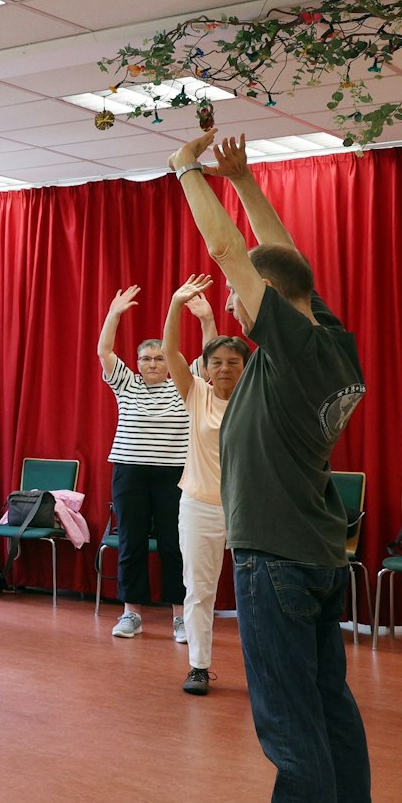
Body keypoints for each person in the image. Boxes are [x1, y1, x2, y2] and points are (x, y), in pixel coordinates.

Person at [170, 130, 376, 803]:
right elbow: (283, 257)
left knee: (291, 727)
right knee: (331, 716)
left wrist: (189, 171)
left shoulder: (288, 345)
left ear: (268, 299)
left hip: (277, 561)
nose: (231, 304)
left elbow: (233, 251)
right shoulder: (333, 340)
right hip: (317, 555)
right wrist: (248, 180)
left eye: (243, 294)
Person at [97, 283, 211, 639]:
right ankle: (131, 614)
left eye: (159, 357)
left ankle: (180, 617)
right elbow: (104, 350)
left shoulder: (184, 383)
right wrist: (114, 314)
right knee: (130, 541)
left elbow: (209, 357)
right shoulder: (126, 384)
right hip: (130, 472)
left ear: (169, 361)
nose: (151, 364)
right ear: (137, 364)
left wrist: (206, 319)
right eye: (145, 358)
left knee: (175, 544)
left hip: (174, 475)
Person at [161, 274, 249, 697]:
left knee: (259, 594)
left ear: (247, 368)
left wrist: (214, 319)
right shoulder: (196, 393)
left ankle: (268, 671)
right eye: (217, 362)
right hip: (199, 505)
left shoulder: (258, 398)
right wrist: (177, 305)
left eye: (234, 362)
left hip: (250, 510)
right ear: (206, 369)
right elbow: (170, 352)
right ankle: (199, 666)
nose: (225, 368)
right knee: (199, 590)